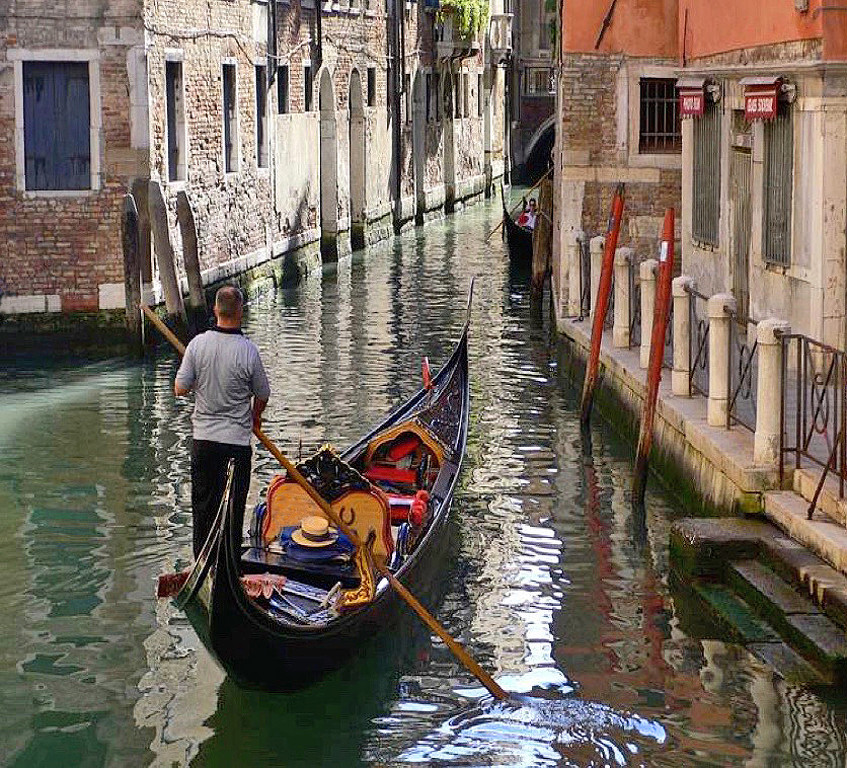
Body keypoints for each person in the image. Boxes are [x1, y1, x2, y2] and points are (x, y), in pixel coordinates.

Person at [175, 285, 271, 557]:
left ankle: (203, 563)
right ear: (240, 311)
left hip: (203, 443)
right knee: (232, 512)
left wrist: (199, 380)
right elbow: (262, 394)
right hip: (236, 446)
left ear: (215, 310)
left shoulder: (197, 346)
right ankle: (228, 564)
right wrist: (255, 418)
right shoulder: (249, 351)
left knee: (203, 509)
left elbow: (179, 389)